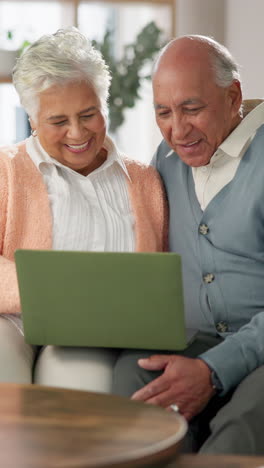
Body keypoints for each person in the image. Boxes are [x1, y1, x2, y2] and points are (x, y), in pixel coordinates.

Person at [111, 35, 264, 455]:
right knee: (132, 391)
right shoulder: (166, 159)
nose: (177, 130)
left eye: (192, 109)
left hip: (259, 347)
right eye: (163, 113)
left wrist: (214, 370)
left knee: (241, 426)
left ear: (233, 97)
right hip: (190, 338)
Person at [0, 27, 167, 391]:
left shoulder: (145, 181)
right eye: (58, 121)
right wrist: (53, 291)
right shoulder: (6, 170)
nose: (77, 134)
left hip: (98, 328)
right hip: (13, 320)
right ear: (32, 119)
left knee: (80, 389)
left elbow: (161, 271)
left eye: (89, 114)